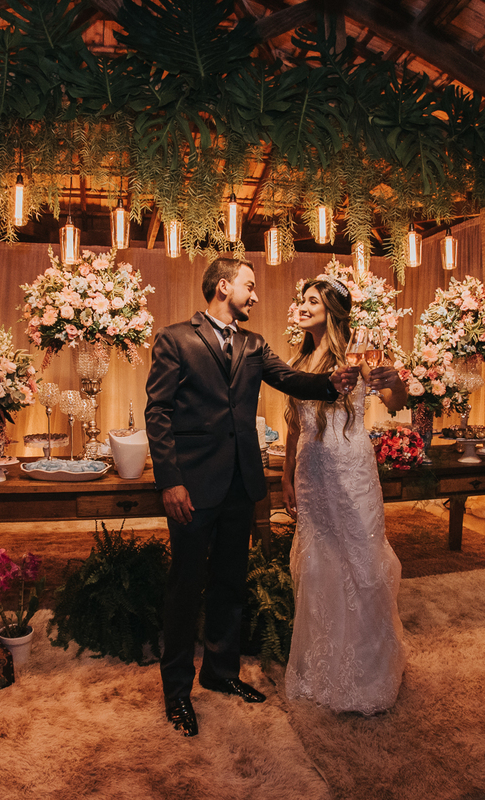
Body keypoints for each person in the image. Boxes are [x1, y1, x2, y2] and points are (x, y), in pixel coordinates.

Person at [145, 258, 358, 737]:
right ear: (224, 287)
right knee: (184, 587)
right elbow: (157, 412)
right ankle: (177, 692)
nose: (256, 295)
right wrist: (169, 480)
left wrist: (331, 383)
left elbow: (290, 379)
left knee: (230, 581)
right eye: (249, 286)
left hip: (242, 483)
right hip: (192, 487)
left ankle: (220, 673)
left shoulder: (255, 345)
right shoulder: (175, 338)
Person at [282, 276, 408, 715]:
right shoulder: (299, 357)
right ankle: (322, 668)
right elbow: (294, 425)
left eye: (313, 299)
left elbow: (394, 401)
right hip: (311, 472)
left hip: (350, 467)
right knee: (318, 565)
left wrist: (395, 380)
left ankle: (368, 672)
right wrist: (286, 476)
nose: (304, 305)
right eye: (303, 299)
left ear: (332, 309)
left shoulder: (358, 351)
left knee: (362, 563)